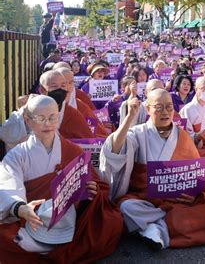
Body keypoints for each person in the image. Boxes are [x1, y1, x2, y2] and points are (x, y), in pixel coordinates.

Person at [0, 95, 123, 262]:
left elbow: (93, 182)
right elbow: (8, 184)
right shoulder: (17, 156)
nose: (48, 123)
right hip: (33, 221)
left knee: (111, 221)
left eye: (52, 117)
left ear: (58, 118)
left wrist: (92, 189)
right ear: (28, 121)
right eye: (40, 118)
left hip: (69, 220)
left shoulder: (72, 149)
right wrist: (20, 208)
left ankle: (50, 249)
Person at [99, 89, 205, 249]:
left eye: (169, 107)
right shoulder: (138, 133)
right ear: (148, 108)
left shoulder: (182, 135)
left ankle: (150, 226)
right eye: (159, 107)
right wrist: (129, 118)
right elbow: (114, 150)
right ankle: (163, 224)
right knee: (126, 207)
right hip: (146, 198)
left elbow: (195, 173)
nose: (165, 112)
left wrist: (194, 194)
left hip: (176, 197)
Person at [0, 71, 96, 151]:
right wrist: (27, 124)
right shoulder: (25, 110)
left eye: (63, 86)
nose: (59, 90)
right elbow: (6, 134)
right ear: (42, 89)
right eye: (54, 86)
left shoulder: (71, 113)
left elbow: (89, 143)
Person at [179, 77, 205, 160]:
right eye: (204, 88)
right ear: (196, 89)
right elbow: (183, 137)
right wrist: (198, 137)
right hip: (196, 155)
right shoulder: (187, 110)